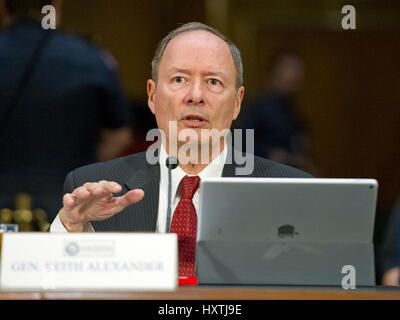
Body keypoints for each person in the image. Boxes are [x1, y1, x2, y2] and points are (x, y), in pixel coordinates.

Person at [49, 22, 311, 277]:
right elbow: (56, 287)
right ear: (153, 96)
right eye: (179, 79)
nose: (195, 95)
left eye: (213, 82)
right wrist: (71, 229)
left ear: (237, 103)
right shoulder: (89, 190)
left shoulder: (295, 194)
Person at [0, 0, 133, 223]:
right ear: (56, 5)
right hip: (66, 207)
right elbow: (119, 135)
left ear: (3, 6)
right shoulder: (90, 58)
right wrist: (80, 173)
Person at [240, 51, 313, 173]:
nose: (296, 74)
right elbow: (240, 141)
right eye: (290, 67)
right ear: (274, 70)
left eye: (299, 68)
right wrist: (269, 153)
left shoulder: (292, 107)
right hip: (262, 175)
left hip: (287, 174)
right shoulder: (257, 105)